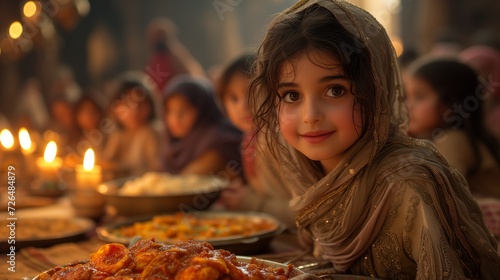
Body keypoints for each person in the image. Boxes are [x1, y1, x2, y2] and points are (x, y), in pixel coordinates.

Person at [248, 0, 500, 278]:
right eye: (292, 95)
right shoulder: (311, 172)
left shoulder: (409, 183)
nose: (310, 116)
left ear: (377, 91)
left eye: (335, 90)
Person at [405, 58, 500, 237]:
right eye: (407, 97)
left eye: (419, 97)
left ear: (450, 103)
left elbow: (441, 199)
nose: (409, 106)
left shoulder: (452, 140)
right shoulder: (461, 137)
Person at [215, 53, 296, 228]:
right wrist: (242, 196)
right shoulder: (250, 140)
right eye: (233, 98)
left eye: (252, 91)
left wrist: (250, 202)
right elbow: (269, 196)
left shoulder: (278, 139)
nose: (242, 106)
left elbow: (307, 211)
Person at [162, 75, 242, 178]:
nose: (175, 119)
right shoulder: (172, 145)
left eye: (184, 110)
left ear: (203, 110)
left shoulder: (219, 141)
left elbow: (185, 182)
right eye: (170, 110)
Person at [103, 74, 163, 177]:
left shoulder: (150, 133)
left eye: (141, 104)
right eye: (127, 104)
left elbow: (157, 171)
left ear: (151, 105)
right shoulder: (117, 134)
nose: (134, 111)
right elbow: (105, 163)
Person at [145, 17, 205, 95]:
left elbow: (196, 77)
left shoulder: (178, 57)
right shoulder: (153, 60)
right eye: (156, 36)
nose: (158, 40)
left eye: (161, 36)